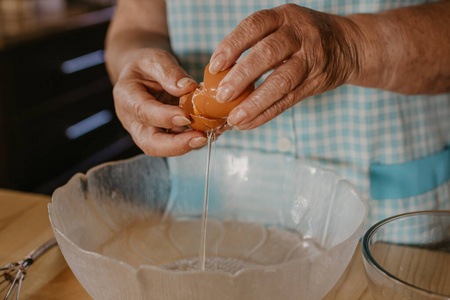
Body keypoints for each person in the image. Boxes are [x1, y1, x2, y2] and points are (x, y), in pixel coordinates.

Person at [104, 0, 450, 227]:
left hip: (384, 228)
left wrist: (353, 44)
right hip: (211, 210)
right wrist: (133, 65)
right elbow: (135, 26)